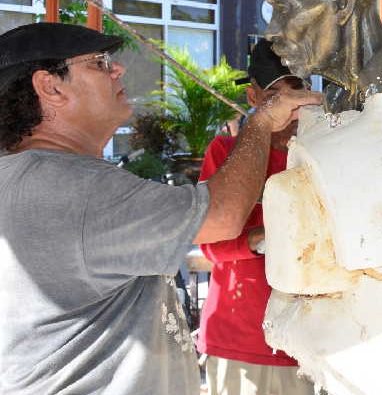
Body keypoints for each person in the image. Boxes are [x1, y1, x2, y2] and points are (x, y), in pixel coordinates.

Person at [0, 22, 322, 394]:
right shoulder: (73, 188)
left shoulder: (32, 178)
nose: (117, 69)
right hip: (245, 339)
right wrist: (262, 122)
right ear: (50, 87)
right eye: (100, 62)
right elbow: (221, 217)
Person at [197, 39, 315, 395]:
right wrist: (270, 237)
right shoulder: (227, 151)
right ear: (253, 98)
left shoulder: (323, 149)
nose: (288, 107)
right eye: (275, 96)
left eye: (296, 92)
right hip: (245, 341)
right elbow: (211, 247)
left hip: (316, 341)